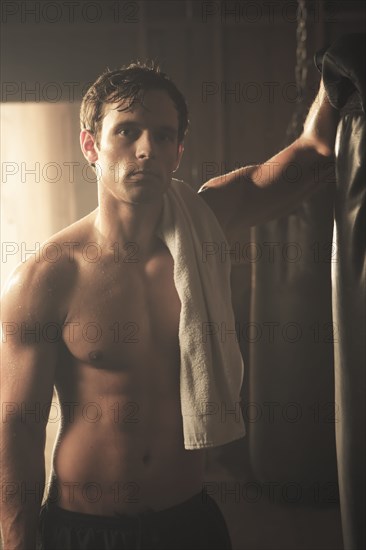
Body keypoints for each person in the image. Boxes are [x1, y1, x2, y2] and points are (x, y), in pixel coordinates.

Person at [0, 63, 339, 550]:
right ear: (91, 146)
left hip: (188, 522)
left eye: (163, 136)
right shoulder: (47, 277)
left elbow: (313, 155)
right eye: (127, 131)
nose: (146, 149)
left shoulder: (207, 220)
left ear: (178, 152)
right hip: (86, 529)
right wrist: (16, 543)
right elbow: (18, 425)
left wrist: (334, 84)